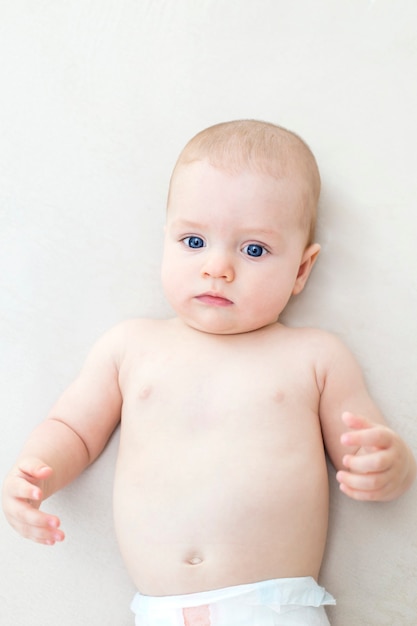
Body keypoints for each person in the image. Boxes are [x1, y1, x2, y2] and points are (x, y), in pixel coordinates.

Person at [2, 120, 416, 626]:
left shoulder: (315, 356)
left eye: (254, 249)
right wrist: (34, 471)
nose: (217, 267)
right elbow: (72, 429)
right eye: (193, 241)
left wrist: (389, 467)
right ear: (166, 240)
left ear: (302, 271)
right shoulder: (130, 346)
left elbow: (362, 443)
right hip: (160, 612)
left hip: (274, 608)